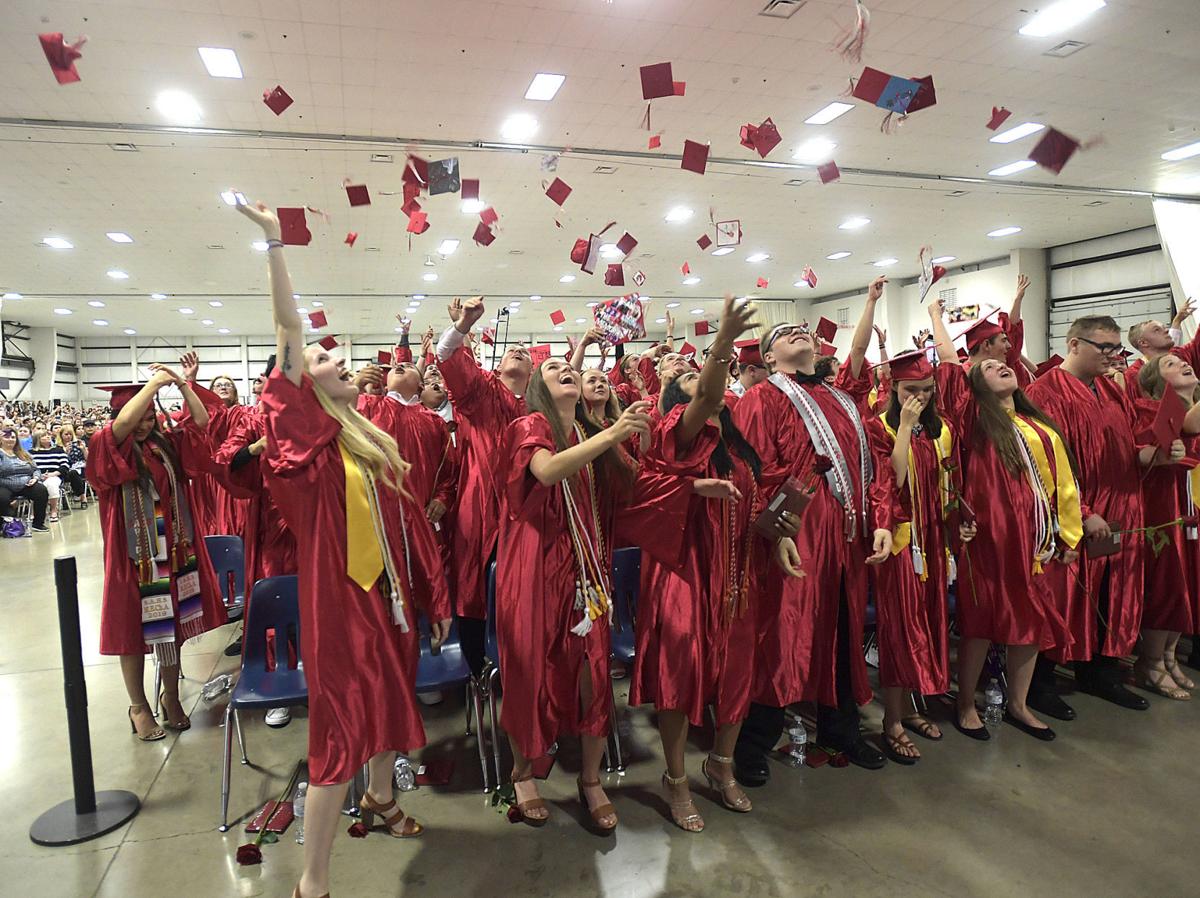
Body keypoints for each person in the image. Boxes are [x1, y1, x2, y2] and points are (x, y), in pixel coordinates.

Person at [237, 199, 451, 898]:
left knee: (390, 707)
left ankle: (384, 800)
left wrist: (435, 598)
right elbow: (288, 332)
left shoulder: (374, 440)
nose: (333, 358)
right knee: (335, 744)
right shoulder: (308, 446)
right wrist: (276, 246)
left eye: (335, 354)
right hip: (338, 606)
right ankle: (313, 880)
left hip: (389, 603)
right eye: (320, 357)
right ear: (304, 384)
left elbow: (413, 529)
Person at [497, 357, 719, 832]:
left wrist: (693, 487)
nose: (568, 371)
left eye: (571, 368)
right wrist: (612, 434)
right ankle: (522, 772)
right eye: (555, 367)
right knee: (530, 670)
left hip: (586, 574)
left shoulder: (587, 432)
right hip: (535, 567)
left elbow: (635, 491)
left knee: (595, 675)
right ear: (538, 384)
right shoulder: (528, 424)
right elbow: (549, 471)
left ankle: (592, 779)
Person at [632, 296, 803, 831]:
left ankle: (722, 764)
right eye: (682, 375)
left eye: (697, 370)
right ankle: (676, 779)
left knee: (736, 673)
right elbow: (705, 395)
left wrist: (780, 535)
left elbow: (759, 501)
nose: (692, 376)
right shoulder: (677, 431)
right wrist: (723, 342)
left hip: (739, 571)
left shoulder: (741, 445)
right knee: (682, 676)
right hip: (686, 574)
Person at [732, 276, 897, 781]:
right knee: (780, 634)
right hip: (796, 533)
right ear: (770, 354)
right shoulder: (761, 398)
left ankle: (840, 729)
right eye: (785, 333)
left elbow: (874, 465)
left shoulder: (843, 399)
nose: (798, 332)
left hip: (847, 535)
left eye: (802, 329)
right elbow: (756, 470)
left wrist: (883, 521)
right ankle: (751, 743)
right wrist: (777, 530)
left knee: (845, 632)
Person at [927, 300, 1082, 741]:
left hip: (1038, 543)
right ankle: (965, 703)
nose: (1002, 365)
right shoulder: (973, 418)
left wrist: (1069, 534)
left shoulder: (1040, 426)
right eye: (991, 366)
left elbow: (1064, 487)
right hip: (990, 539)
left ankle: (1018, 704)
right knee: (982, 621)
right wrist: (939, 317)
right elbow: (950, 366)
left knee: (1030, 622)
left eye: (1006, 365)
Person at [1026, 316, 1158, 717]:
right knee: (1064, 596)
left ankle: (1100, 671)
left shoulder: (1111, 390)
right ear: (1073, 344)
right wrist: (1082, 513)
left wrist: (1153, 454)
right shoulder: (1043, 393)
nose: (1112, 356)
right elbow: (1045, 463)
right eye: (1103, 347)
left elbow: (1129, 441)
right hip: (1076, 513)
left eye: (1116, 348)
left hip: (1122, 509)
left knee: (1114, 594)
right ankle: (1040, 682)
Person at [86, 365, 227, 742]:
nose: (145, 424)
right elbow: (121, 428)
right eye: (138, 416)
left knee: (170, 626)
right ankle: (137, 707)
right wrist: (152, 384)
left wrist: (181, 383)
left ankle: (170, 694)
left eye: (151, 416)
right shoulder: (106, 444)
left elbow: (200, 420)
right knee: (131, 630)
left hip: (172, 549)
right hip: (134, 556)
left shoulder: (163, 447)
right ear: (120, 416)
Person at [865, 350, 976, 763]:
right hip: (899, 545)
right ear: (894, 388)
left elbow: (950, 486)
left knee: (928, 626)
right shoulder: (877, 427)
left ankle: (910, 709)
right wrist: (904, 427)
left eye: (928, 390)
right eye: (912, 390)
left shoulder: (942, 430)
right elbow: (890, 482)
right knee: (899, 630)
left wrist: (958, 523)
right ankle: (891, 721)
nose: (922, 398)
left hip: (933, 544)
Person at [435, 296, 531, 677]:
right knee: (476, 587)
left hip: (526, 509)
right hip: (480, 506)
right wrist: (463, 326)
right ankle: (478, 678)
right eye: (514, 350)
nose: (519, 352)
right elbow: (447, 358)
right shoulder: (481, 392)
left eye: (525, 352)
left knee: (522, 593)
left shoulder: (539, 405)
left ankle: (520, 674)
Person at [1132, 355, 1200, 699]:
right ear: (1157, 382)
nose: (1183, 364)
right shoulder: (1149, 409)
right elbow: (1185, 430)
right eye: (1171, 364)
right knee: (1168, 585)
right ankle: (1150, 662)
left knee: (1187, 582)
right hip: (1166, 508)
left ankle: (1170, 657)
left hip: (1193, 509)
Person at [1124, 298, 1198, 399]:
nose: (1167, 331)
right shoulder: (1133, 376)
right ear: (1143, 343)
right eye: (1157, 330)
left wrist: (1177, 321)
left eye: (1164, 327)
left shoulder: (1180, 355)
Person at [0, 426, 50, 531]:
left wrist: (35, 478)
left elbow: (36, 469)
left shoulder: (23, 453)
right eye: (7, 437)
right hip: (4, 484)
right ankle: (7, 524)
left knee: (41, 491)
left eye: (13, 437)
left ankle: (38, 524)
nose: (10, 439)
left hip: (26, 484)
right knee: (2, 498)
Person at [29, 431, 69, 522]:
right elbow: (29, 467)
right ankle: (35, 511)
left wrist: (52, 474)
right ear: (38, 439)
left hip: (54, 475)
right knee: (36, 487)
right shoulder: (31, 452)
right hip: (37, 476)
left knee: (51, 484)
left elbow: (65, 466)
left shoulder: (58, 450)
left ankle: (53, 510)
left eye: (48, 435)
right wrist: (37, 476)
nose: (47, 437)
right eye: (44, 436)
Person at [58, 425, 89, 507]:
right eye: (66, 434)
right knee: (71, 473)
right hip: (64, 470)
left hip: (80, 468)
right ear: (61, 435)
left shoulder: (79, 443)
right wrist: (65, 452)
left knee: (74, 473)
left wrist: (83, 449)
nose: (69, 436)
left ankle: (83, 497)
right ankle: (81, 497)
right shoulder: (57, 447)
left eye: (70, 434)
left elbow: (87, 458)